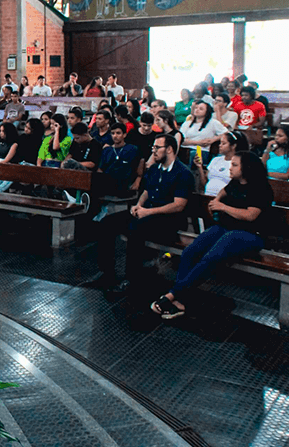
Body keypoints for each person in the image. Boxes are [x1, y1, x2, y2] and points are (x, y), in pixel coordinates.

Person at [150, 152, 273, 320]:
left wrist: (223, 207)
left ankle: (172, 295)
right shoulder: (235, 183)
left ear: (247, 168)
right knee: (190, 252)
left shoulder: (261, 188)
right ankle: (180, 302)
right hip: (226, 228)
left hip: (250, 235)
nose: (230, 167)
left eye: (235, 165)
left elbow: (250, 216)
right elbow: (221, 194)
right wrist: (218, 201)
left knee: (211, 257)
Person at [102, 134, 194, 291]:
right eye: (153, 148)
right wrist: (138, 206)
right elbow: (146, 191)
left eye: (157, 148)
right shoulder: (155, 169)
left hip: (169, 220)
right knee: (107, 223)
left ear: (170, 149)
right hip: (149, 213)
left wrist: (148, 212)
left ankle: (132, 279)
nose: (154, 151)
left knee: (136, 228)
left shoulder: (183, 173)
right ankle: (107, 273)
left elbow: (178, 205)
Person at [197, 131, 248, 196]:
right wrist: (199, 166)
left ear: (233, 146)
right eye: (220, 143)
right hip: (207, 196)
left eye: (223, 143)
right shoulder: (215, 160)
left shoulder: (238, 163)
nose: (219, 145)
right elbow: (204, 183)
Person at [98, 123, 142, 194]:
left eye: (118, 133)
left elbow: (140, 163)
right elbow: (100, 169)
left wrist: (138, 180)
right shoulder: (107, 150)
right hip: (108, 185)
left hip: (125, 185)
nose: (115, 136)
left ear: (124, 135)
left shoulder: (132, 149)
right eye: (113, 133)